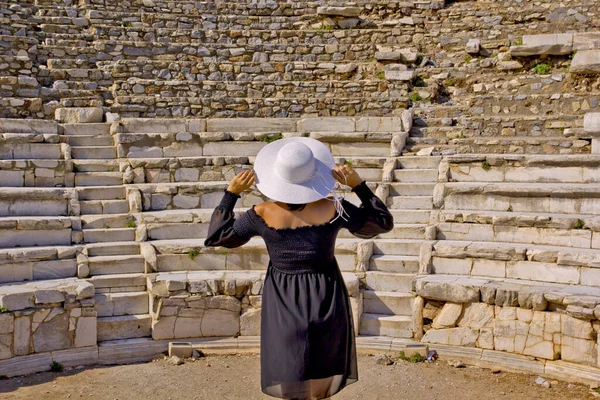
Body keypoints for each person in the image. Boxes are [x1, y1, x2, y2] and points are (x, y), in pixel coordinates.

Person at [204, 137, 394, 400]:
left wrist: (231, 194)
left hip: (283, 298)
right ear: (313, 175)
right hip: (326, 294)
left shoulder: (260, 213)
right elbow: (382, 222)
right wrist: (358, 186)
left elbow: (218, 237)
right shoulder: (334, 207)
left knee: (290, 366)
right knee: (322, 366)